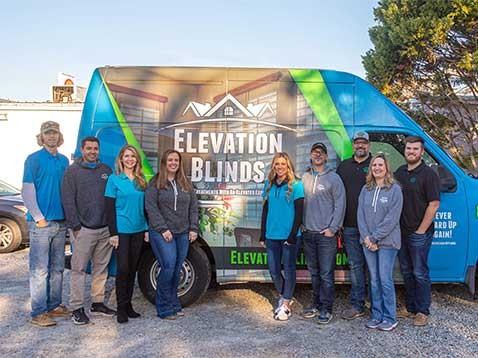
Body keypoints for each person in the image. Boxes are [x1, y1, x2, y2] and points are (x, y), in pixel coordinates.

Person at [61, 136, 115, 325]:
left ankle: (97, 303)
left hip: (104, 229)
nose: (93, 151)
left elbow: (112, 198)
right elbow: (67, 200)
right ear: (82, 150)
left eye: (95, 148)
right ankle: (76, 307)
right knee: (79, 270)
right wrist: (75, 226)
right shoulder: (72, 172)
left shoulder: (106, 171)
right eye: (89, 148)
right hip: (83, 230)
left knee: (101, 269)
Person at [22, 121, 70, 327]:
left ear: (59, 137)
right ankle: (38, 312)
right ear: (41, 137)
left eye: (54, 134)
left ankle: (54, 305)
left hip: (60, 221)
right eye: (47, 134)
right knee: (39, 269)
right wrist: (38, 217)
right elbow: (27, 190)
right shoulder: (33, 160)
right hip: (42, 223)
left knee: (58, 267)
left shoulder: (63, 160)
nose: (51, 137)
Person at [145, 149, 199, 320]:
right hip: (161, 233)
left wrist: (193, 228)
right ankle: (163, 307)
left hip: (182, 233)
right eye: (170, 160)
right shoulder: (155, 183)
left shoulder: (185, 183)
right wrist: (163, 229)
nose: (173, 163)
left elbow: (193, 208)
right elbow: (151, 207)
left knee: (177, 269)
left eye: (176, 160)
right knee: (168, 267)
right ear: (164, 163)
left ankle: (174, 304)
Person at [395, 136, 440, 327]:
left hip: (419, 233)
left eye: (415, 149)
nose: (411, 152)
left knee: (420, 272)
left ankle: (423, 310)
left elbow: (434, 204)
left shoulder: (428, 174)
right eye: (408, 148)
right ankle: (410, 307)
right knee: (406, 271)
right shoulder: (400, 172)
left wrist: (421, 231)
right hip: (401, 232)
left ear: (421, 152)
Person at [357, 153, 403, 331]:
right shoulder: (365, 189)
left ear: (386, 168)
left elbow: (392, 219)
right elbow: (360, 216)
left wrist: (374, 237)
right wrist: (367, 238)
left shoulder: (394, 190)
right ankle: (376, 315)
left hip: (387, 243)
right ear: (371, 169)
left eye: (380, 165)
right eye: (374, 165)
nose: (377, 168)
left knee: (385, 279)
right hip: (368, 242)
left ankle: (390, 317)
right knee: (374, 280)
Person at [301, 142, 345, 324]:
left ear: (326, 157)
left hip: (326, 236)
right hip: (308, 234)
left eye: (321, 152)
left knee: (326, 274)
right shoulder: (303, 177)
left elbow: (340, 205)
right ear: (310, 155)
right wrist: (302, 225)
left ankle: (327, 308)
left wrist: (332, 229)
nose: (318, 155)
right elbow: (300, 202)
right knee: (314, 272)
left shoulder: (334, 179)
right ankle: (316, 304)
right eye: (315, 152)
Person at [104, 144, 149, 324]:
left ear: (137, 160)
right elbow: (108, 209)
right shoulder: (114, 180)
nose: (130, 159)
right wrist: (113, 233)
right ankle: (121, 308)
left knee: (132, 269)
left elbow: (144, 208)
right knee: (122, 269)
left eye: (133, 156)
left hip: (138, 230)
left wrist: (146, 228)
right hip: (121, 231)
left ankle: (129, 305)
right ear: (121, 159)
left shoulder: (140, 180)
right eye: (127, 156)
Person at [259, 152, 304, 321]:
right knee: (274, 270)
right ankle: (285, 295)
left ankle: (285, 305)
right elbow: (265, 211)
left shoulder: (296, 185)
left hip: (290, 236)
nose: (279, 167)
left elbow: (300, 212)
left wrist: (293, 235)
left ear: (288, 166)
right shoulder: (268, 185)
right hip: (272, 235)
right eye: (277, 164)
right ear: (273, 166)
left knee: (289, 269)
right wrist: (263, 234)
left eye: (283, 164)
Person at [336, 131, 372, 320]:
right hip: (350, 226)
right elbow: (337, 196)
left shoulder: (377, 166)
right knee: (356, 267)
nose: (360, 146)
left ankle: (377, 305)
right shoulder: (343, 167)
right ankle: (357, 305)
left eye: (364, 143)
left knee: (374, 268)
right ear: (353, 145)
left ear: (369, 146)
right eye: (357, 143)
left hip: (372, 228)